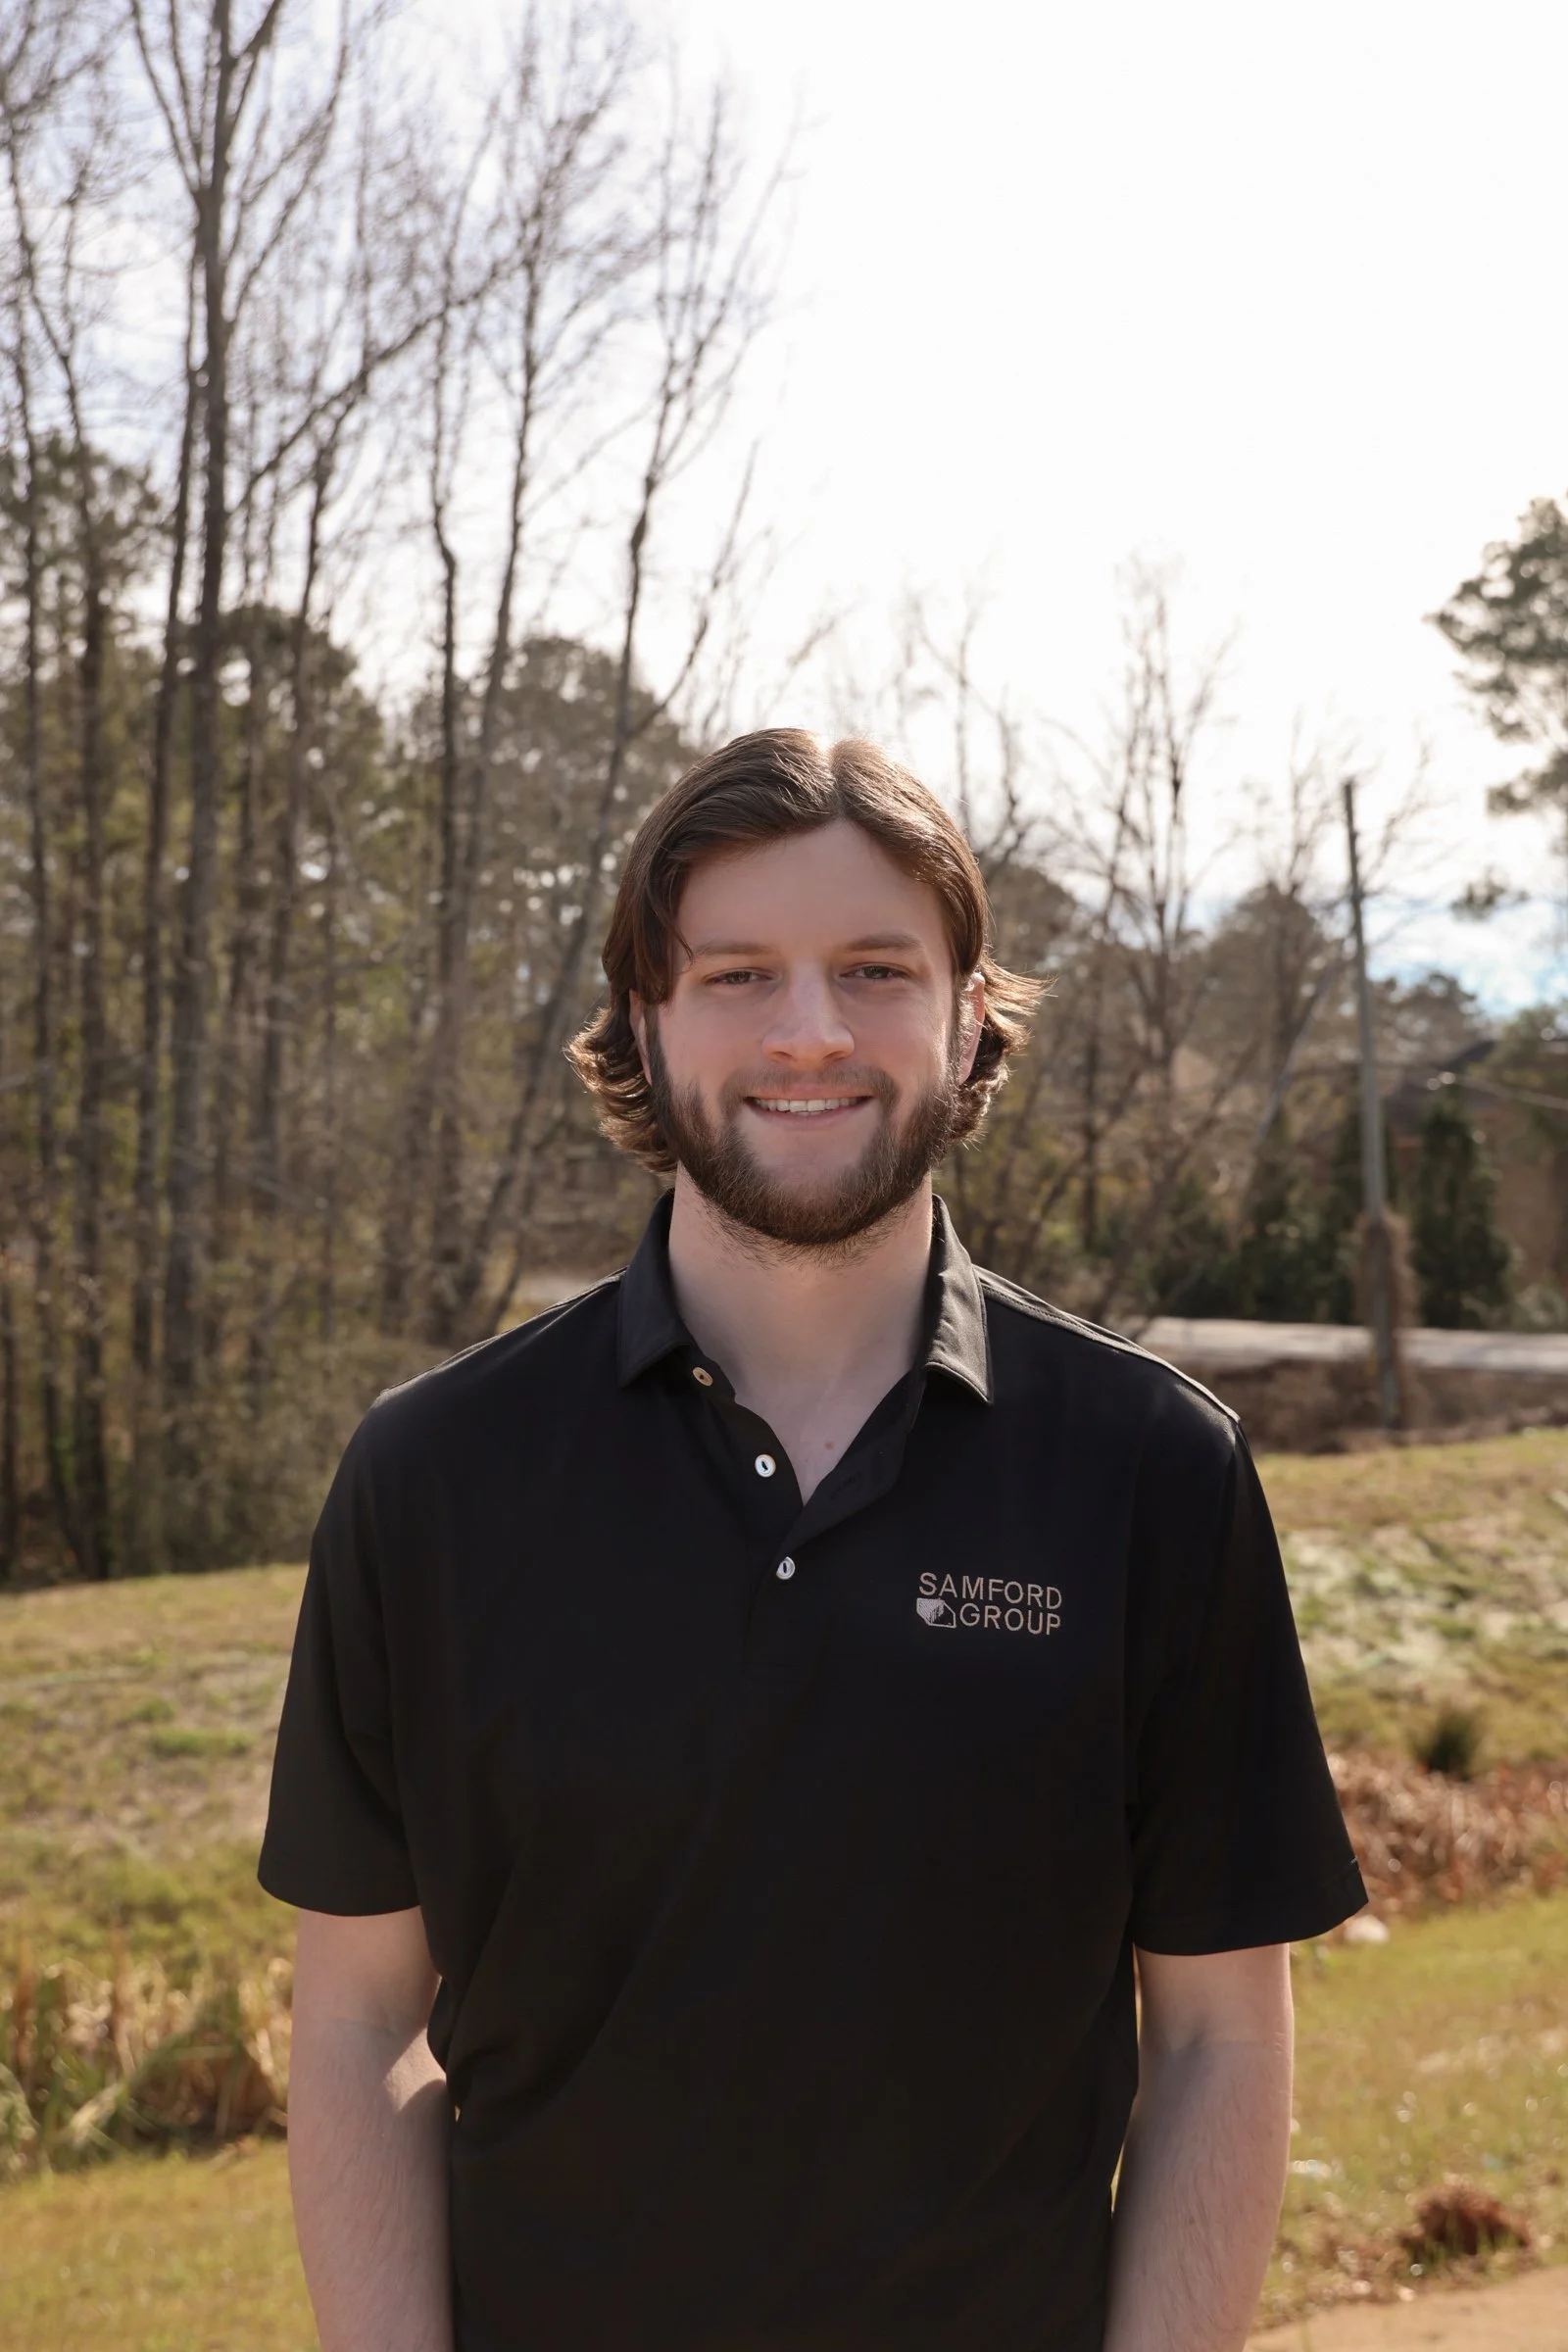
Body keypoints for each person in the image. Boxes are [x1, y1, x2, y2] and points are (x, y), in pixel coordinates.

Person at [261, 729, 1366, 2352]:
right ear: (644, 1014)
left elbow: (1217, 2038)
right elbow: (359, 2021)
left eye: (873, 969)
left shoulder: (1151, 1473)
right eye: (736, 974)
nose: (808, 1032)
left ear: (967, 1008)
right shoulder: (433, 1476)